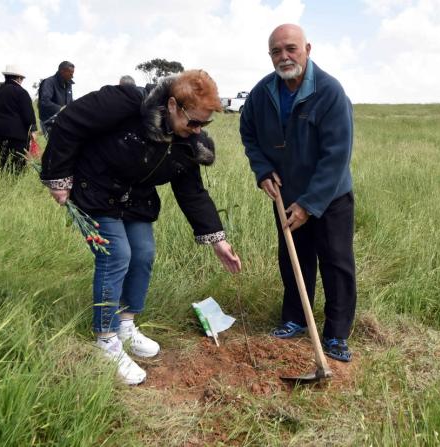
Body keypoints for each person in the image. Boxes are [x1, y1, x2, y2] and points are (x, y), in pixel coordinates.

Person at [40, 69, 242, 385]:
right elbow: (69, 122)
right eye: (193, 122)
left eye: (205, 124)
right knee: (116, 254)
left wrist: (218, 240)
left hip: (135, 200)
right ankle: (105, 340)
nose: (198, 131)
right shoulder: (124, 103)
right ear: (173, 104)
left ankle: (125, 324)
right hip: (95, 189)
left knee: (144, 253)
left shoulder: (187, 142)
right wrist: (58, 177)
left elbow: (191, 192)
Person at [240, 24, 356, 362]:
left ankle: (336, 335)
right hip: (286, 196)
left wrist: (309, 204)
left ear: (307, 48)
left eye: (290, 48)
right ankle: (295, 319)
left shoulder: (329, 91)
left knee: (336, 264)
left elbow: (337, 155)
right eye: (276, 51)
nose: (284, 56)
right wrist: (262, 170)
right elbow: (248, 134)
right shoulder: (263, 93)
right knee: (293, 260)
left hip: (330, 197)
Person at [0, 64, 37, 175]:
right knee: (19, 164)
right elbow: (28, 115)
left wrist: (0, 118)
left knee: (3, 160)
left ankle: (5, 182)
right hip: (17, 134)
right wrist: (33, 130)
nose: (22, 81)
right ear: (18, 78)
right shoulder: (21, 92)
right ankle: (15, 186)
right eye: (22, 78)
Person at [38, 61, 74, 137]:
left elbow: (70, 102)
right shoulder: (49, 82)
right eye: (70, 73)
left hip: (63, 121)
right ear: (62, 71)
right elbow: (44, 102)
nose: (72, 76)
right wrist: (61, 109)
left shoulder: (69, 85)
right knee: (55, 146)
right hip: (49, 122)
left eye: (73, 73)